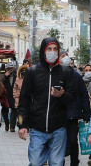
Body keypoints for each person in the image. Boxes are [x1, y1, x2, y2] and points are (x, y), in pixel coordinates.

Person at [18, 37, 75, 166]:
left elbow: (72, 97)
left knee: (56, 163)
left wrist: (62, 94)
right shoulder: (32, 72)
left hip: (59, 128)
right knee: (35, 162)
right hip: (37, 128)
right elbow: (24, 101)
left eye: (55, 49)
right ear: (43, 51)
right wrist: (22, 125)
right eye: (49, 48)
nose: (52, 52)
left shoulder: (66, 72)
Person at [59, 51, 90, 166]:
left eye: (66, 56)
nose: (66, 58)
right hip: (59, 114)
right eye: (63, 56)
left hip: (73, 113)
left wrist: (87, 112)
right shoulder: (56, 75)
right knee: (60, 141)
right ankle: (59, 161)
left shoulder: (76, 75)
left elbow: (83, 94)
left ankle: (74, 161)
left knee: (72, 140)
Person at [2, 62, 17, 132]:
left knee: (14, 111)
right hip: (5, 96)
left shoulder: (16, 76)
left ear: (13, 68)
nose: (9, 70)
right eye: (8, 68)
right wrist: (5, 76)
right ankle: (7, 124)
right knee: (5, 111)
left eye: (11, 68)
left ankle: (12, 127)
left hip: (14, 96)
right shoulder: (3, 76)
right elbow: (0, 83)